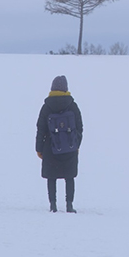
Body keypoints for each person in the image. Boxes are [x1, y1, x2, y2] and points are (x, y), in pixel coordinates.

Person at [36, 75, 83, 213]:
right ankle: (69, 205)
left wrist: (39, 148)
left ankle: (53, 205)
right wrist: (76, 144)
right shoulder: (72, 105)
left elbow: (41, 129)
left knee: (51, 177)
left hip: (50, 147)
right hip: (70, 147)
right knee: (69, 177)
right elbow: (80, 127)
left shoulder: (46, 106)